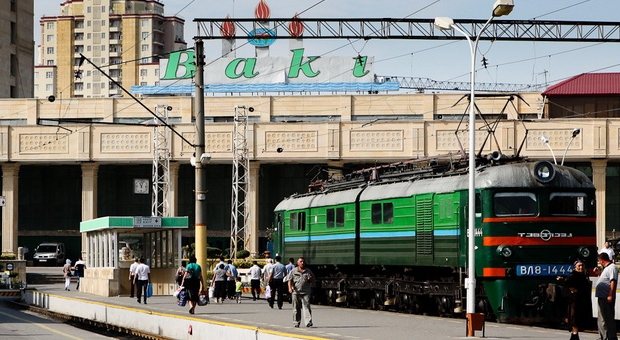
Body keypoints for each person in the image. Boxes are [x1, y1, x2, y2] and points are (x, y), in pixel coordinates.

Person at [561, 260, 592, 340]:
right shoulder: (573, 276)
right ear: (575, 267)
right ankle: (575, 335)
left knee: (577, 317)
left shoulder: (583, 275)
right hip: (575, 301)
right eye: (579, 266)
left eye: (582, 265)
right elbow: (567, 284)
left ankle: (574, 335)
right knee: (575, 317)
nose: (581, 267)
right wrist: (572, 290)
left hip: (581, 300)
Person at [595, 252, 618, 340]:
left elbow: (613, 281)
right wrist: (599, 273)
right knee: (602, 318)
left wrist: (610, 294)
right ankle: (603, 336)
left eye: (599, 261)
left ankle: (611, 337)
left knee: (608, 318)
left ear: (601, 260)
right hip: (602, 297)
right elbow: (606, 279)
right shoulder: (606, 268)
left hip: (606, 297)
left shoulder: (612, 268)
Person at [287, 257, 315, 328]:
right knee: (296, 308)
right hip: (296, 292)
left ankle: (308, 322)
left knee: (307, 307)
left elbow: (313, 281)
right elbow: (289, 280)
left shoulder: (308, 271)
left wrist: (311, 279)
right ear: (298, 263)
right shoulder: (294, 271)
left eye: (303, 261)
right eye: (301, 261)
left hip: (306, 291)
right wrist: (290, 288)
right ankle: (296, 322)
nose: (302, 263)